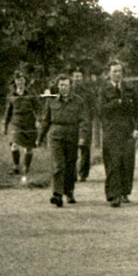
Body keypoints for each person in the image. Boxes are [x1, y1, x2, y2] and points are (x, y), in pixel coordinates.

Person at [37, 74, 89, 207]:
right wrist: (40, 138)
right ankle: (57, 194)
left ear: (70, 86)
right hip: (55, 136)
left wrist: (83, 137)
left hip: (72, 135)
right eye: (61, 85)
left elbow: (84, 121)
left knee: (70, 165)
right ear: (57, 86)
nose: (63, 88)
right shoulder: (51, 100)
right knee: (58, 165)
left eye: (66, 85)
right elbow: (45, 120)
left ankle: (69, 191)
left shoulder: (78, 101)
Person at [98, 60, 138, 207]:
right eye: (114, 71)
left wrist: (137, 128)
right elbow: (101, 110)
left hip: (128, 132)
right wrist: (116, 103)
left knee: (127, 163)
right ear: (108, 74)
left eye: (119, 71)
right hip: (111, 131)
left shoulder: (130, 89)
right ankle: (113, 195)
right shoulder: (104, 91)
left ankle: (124, 192)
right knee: (113, 163)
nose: (117, 74)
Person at [3, 70, 40, 185]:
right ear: (15, 81)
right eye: (18, 80)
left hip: (29, 121)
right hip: (16, 122)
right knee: (14, 144)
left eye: (22, 80)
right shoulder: (11, 95)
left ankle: (26, 167)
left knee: (28, 147)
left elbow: (38, 108)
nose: (20, 82)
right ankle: (16, 166)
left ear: (25, 81)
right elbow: (8, 112)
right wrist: (5, 125)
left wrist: (38, 120)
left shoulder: (30, 93)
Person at [70, 68, 95, 182]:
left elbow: (93, 105)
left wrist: (89, 119)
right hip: (72, 122)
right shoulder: (69, 90)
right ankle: (72, 172)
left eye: (79, 76)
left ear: (82, 78)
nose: (77, 79)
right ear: (72, 77)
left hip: (85, 121)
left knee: (85, 146)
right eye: (75, 76)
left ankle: (83, 173)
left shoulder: (88, 91)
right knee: (72, 147)